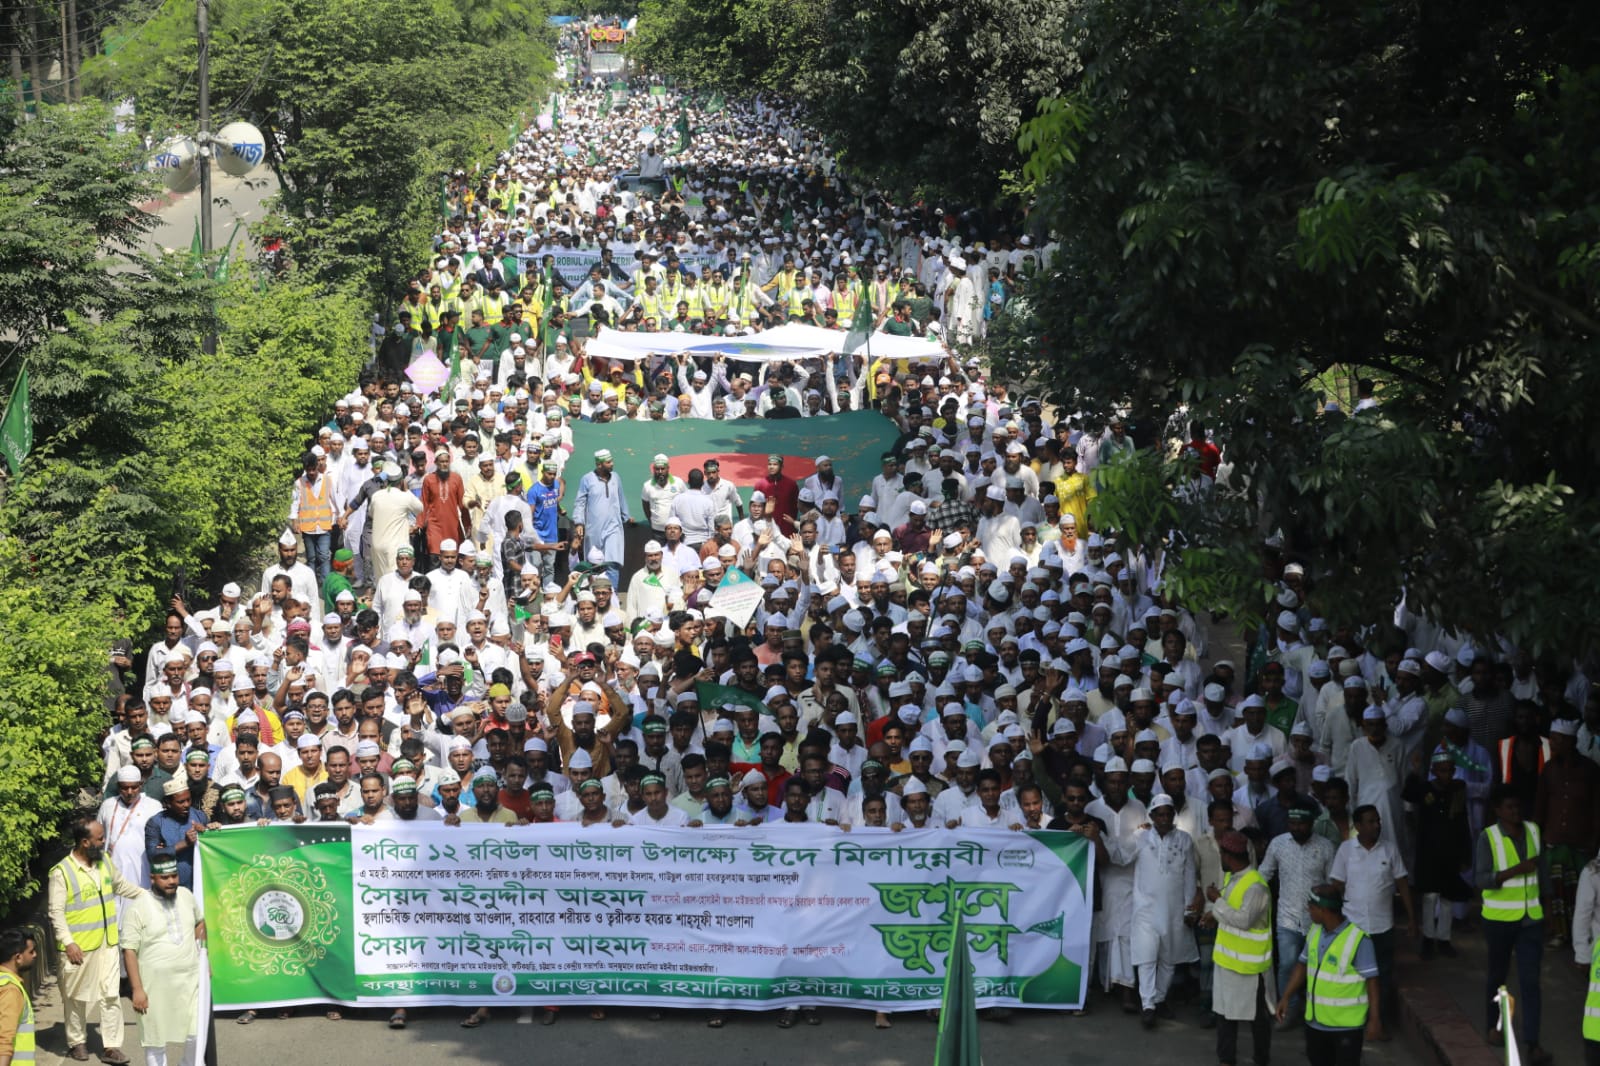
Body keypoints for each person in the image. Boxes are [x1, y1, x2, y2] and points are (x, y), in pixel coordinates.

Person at [49, 819, 143, 1063]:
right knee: (75, 997)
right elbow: (55, 913)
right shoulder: (62, 872)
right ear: (85, 842)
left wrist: (149, 897)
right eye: (100, 839)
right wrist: (68, 942)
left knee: (110, 995)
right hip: (78, 948)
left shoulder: (104, 861)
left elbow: (121, 886)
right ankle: (77, 1041)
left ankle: (111, 1046)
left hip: (107, 944)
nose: (104, 842)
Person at [1477, 783, 1551, 1063]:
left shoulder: (1533, 831)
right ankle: (1493, 1027)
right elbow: (1481, 879)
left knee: (1531, 982)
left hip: (1530, 919)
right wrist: (1516, 870)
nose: (1515, 811)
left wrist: (1548, 910)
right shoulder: (1488, 837)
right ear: (1498, 810)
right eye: (1509, 807)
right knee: (1498, 977)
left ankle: (1533, 1043)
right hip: (1499, 920)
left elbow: (1542, 874)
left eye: (1517, 806)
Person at [1328, 804, 1413, 1038]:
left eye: (1378, 821)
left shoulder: (1389, 850)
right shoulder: (1346, 850)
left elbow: (1403, 884)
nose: (1377, 825)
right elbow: (1336, 885)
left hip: (1382, 926)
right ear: (1358, 826)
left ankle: (1378, 1023)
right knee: (1352, 976)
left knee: (1382, 977)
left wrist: (1412, 919)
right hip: (1353, 927)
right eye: (1371, 821)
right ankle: (1354, 1020)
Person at [1275, 884, 1381, 1065]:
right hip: (1315, 1024)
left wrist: (1375, 1019)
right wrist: (1286, 996)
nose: (1308, 911)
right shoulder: (1315, 932)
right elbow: (1302, 965)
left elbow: (1372, 982)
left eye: (1312, 908)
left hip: (1346, 1028)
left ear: (1324, 910)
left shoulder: (1359, 940)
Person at [121, 852, 205, 1066]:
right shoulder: (137, 907)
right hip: (154, 988)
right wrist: (137, 989)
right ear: (152, 878)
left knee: (196, 1035)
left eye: (174, 876)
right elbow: (129, 950)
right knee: (155, 1043)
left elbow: (199, 922)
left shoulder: (186, 895)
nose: (171, 882)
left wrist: (203, 956)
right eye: (165, 878)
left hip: (190, 983)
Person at [1205, 828, 1275, 1066]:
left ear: (1228, 856)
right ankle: (1226, 1059)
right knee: (1225, 1014)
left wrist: (1217, 902)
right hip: (1227, 961)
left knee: (1256, 1018)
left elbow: (1244, 920)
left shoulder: (1256, 886)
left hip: (1250, 967)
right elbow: (1229, 911)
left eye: (1222, 855)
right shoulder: (1231, 878)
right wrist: (1212, 914)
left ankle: (1261, 1059)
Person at [1129, 792, 1199, 1028]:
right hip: (1145, 909)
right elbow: (1121, 856)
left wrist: (1190, 909)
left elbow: (1190, 876)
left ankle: (1159, 999)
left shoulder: (1184, 840)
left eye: (1168, 814)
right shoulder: (1140, 837)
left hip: (1174, 909)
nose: (1164, 819)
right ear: (1152, 816)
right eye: (1159, 814)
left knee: (1169, 959)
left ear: (1173, 816)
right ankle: (1148, 1005)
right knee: (1147, 957)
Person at [0, 928, 37, 1066]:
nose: (35, 955)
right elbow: (4, 1041)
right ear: (18, 958)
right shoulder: (10, 990)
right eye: (31, 951)